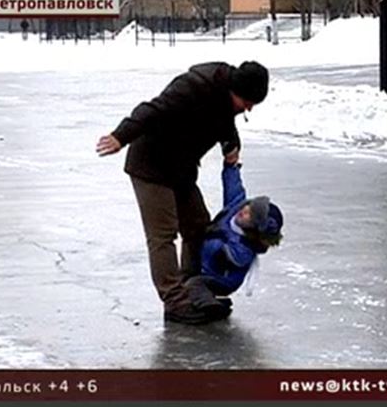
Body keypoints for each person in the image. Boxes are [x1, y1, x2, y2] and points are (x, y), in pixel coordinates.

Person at [95, 61, 269, 321]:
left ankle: (193, 286)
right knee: (162, 235)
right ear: (235, 89)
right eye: (247, 101)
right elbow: (151, 110)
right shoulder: (193, 88)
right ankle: (175, 301)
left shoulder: (225, 97)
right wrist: (121, 136)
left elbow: (224, 122)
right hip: (151, 166)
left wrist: (231, 145)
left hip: (181, 169)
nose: (249, 108)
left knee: (198, 225)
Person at [165, 158, 284, 324]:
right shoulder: (236, 207)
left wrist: (217, 237)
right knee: (186, 281)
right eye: (249, 206)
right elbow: (233, 187)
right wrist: (231, 167)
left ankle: (212, 308)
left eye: (251, 216)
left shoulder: (245, 247)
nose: (245, 210)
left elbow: (231, 255)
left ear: (254, 228)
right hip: (206, 266)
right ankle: (213, 300)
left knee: (194, 284)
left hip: (223, 280)